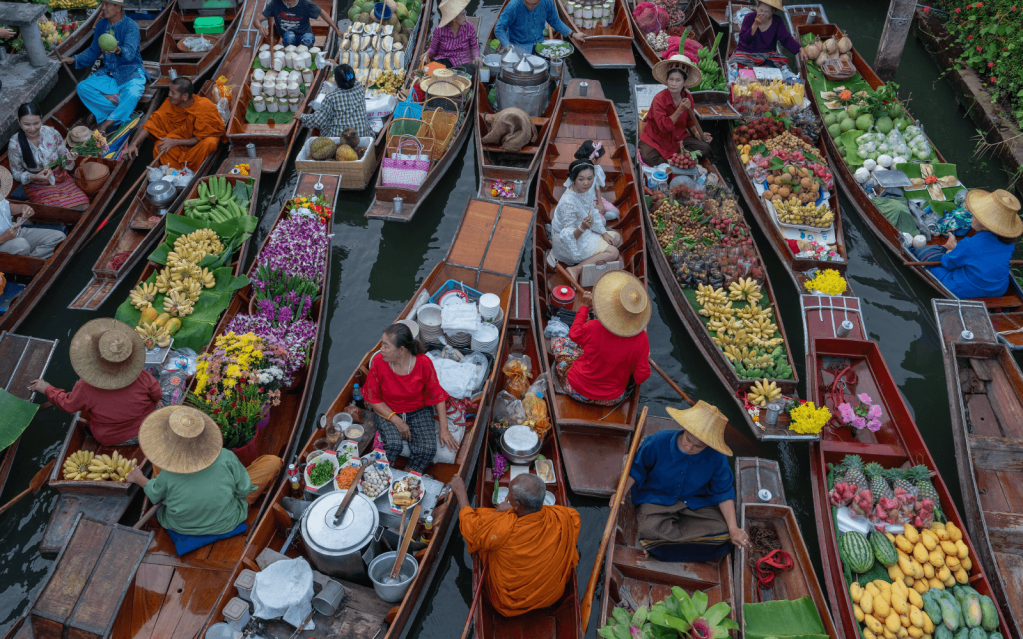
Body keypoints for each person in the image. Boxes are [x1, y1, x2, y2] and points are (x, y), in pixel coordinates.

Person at [126, 405, 283, 550]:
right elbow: (243, 490)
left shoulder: (167, 473)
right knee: (272, 462)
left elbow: (155, 496)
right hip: (228, 520)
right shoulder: (225, 456)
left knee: (158, 469)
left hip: (181, 526)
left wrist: (139, 478)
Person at [625, 401, 749, 562]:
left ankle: (658, 546)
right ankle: (662, 544)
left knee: (724, 531)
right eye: (687, 439)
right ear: (684, 429)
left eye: (698, 447)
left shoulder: (717, 457)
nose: (689, 447)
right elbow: (636, 469)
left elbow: (724, 491)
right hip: (657, 499)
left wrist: (733, 529)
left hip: (694, 502)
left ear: (708, 445)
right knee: (649, 528)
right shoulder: (658, 441)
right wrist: (621, 493)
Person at [451, 472, 579, 617]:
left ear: (517, 504)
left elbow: (473, 531)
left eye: (509, 493)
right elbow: (575, 518)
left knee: (485, 535)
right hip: (551, 596)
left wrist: (461, 493)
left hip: (510, 602)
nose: (507, 496)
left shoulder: (504, 528)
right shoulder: (562, 516)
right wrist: (513, 511)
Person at [27, 318, 162, 446]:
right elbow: (157, 394)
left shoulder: (85, 387)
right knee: (171, 380)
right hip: (149, 424)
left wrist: (47, 388)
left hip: (114, 438)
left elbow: (68, 405)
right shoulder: (139, 374)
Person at [364, 323, 456, 473]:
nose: (381, 349)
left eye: (386, 346)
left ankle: (407, 473)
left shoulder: (423, 363)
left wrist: (444, 429)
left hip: (418, 410)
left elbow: (437, 395)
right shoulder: (379, 361)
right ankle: (378, 474)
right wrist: (396, 420)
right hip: (388, 409)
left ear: (401, 350)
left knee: (427, 449)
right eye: (382, 344)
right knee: (393, 445)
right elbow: (372, 397)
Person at [552, 271, 651, 405]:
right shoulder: (642, 338)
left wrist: (584, 307)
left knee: (559, 342)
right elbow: (640, 377)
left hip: (576, 389)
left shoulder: (594, 326)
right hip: (612, 399)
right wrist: (644, 360)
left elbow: (574, 334)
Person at [59, 0, 146, 136]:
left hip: (130, 71)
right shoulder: (101, 24)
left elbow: (129, 54)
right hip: (109, 72)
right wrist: (75, 59)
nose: (102, 8)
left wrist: (118, 50)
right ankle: (120, 114)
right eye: (102, 4)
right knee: (83, 88)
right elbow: (94, 50)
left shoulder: (131, 26)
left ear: (118, 7)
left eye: (107, 5)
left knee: (133, 93)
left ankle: (106, 123)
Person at [917, 189, 1023, 299]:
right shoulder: (1010, 244)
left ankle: (946, 247)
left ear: (985, 226)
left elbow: (947, 263)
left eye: (976, 215)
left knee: (922, 253)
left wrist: (949, 249)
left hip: (967, 290)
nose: (972, 214)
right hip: (999, 289)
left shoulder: (969, 244)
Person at [122, 78, 225, 170]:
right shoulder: (169, 103)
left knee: (211, 142)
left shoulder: (204, 106)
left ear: (185, 96)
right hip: (178, 145)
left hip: (196, 146)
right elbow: (151, 124)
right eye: (169, 91)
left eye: (173, 92)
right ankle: (176, 172)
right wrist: (134, 144)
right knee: (159, 145)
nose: (169, 94)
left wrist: (174, 141)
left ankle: (191, 170)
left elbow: (201, 138)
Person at [547, 158, 621, 281]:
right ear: (573, 179)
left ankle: (589, 259)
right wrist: (583, 227)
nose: (586, 183)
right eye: (581, 179)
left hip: (584, 232)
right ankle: (576, 269)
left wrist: (604, 233)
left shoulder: (584, 190)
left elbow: (593, 213)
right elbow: (567, 237)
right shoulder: (568, 203)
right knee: (614, 252)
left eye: (590, 178)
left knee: (616, 238)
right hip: (567, 243)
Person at [8, 104, 90, 210]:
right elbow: (16, 173)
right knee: (59, 211)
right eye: (26, 124)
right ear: (18, 121)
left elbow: (64, 157)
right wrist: (34, 177)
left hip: (61, 178)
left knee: (84, 206)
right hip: (36, 184)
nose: (32, 129)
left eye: (36, 123)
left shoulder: (52, 133)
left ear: (41, 118)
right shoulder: (15, 144)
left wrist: (69, 160)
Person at [639, 56, 713, 166]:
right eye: (671, 79)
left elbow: (690, 120)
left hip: (678, 137)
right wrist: (680, 110)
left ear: (684, 82)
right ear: (667, 81)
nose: (673, 83)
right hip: (657, 137)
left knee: (705, 148)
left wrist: (697, 134)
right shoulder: (659, 99)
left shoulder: (688, 97)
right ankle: (678, 159)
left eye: (678, 80)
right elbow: (664, 127)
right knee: (648, 158)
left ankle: (675, 159)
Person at [0, 167, 66, 258]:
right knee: (21, 245)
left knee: (59, 237)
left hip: (15, 232)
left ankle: (31, 261)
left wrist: (23, 208)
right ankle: (27, 262)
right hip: (2, 242)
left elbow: (5, 206)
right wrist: (2, 239)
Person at [728, 0, 806, 69]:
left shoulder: (777, 21)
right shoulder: (749, 18)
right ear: (757, 8)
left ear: (773, 11)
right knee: (737, 63)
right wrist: (755, 24)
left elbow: (786, 39)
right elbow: (744, 40)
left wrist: (799, 49)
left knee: (783, 61)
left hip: (767, 55)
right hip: (746, 53)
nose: (762, 14)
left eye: (766, 12)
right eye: (760, 10)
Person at [299, 64, 371, 138]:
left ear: (336, 82)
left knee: (325, 123)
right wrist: (338, 67)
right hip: (363, 134)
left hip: (340, 138)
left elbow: (319, 120)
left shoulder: (331, 97)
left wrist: (302, 116)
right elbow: (349, 79)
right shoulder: (359, 87)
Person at [494, 0, 585, 55]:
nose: (530, 6)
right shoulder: (513, 5)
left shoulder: (547, 2)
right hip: (517, 45)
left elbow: (554, 21)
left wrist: (573, 34)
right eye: (527, 2)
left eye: (534, 4)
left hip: (539, 43)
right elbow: (499, 28)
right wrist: (507, 46)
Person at [421, 0, 482, 71]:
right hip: (444, 60)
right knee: (426, 67)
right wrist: (428, 53)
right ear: (454, 18)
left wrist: (476, 56)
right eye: (463, 14)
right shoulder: (439, 30)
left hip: (462, 62)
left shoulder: (469, 27)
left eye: (465, 13)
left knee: (471, 68)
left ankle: (450, 72)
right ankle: (450, 72)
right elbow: (433, 49)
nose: (465, 17)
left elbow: (474, 47)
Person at [258, 0, 342, 47]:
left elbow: (322, 13)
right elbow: (257, 20)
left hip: (304, 35)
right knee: (289, 37)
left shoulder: (305, 3)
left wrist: (336, 30)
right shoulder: (275, 3)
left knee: (308, 39)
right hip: (287, 37)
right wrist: (260, 27)